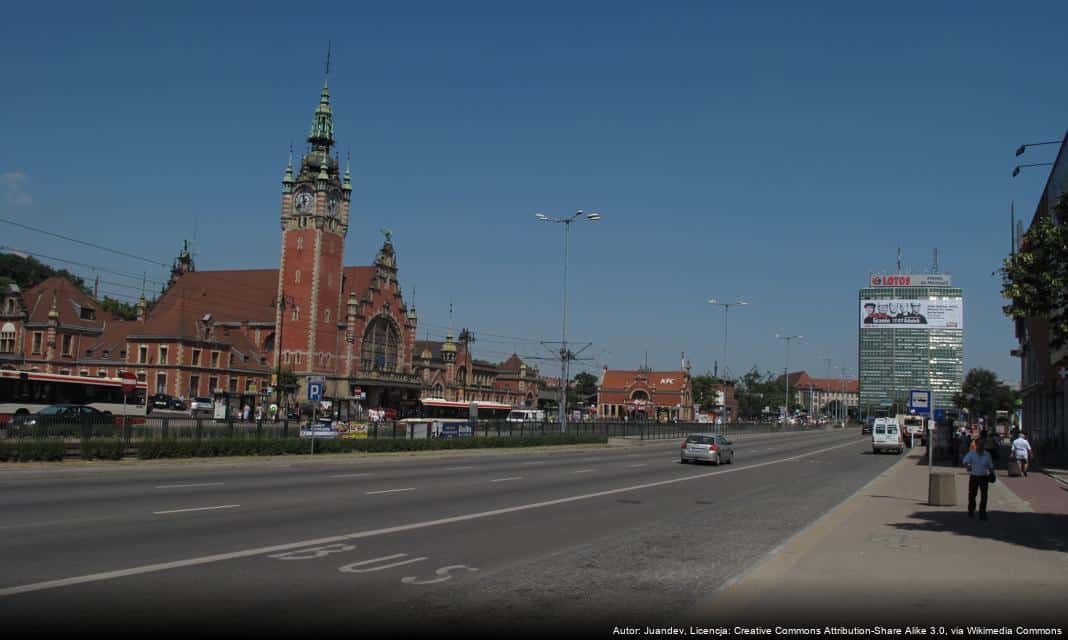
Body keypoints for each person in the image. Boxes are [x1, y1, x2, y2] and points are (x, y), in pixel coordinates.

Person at [962, 437, 995, 520]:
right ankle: (971, 510)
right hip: (974, 477)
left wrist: (992, 473)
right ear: (976, 445)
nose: (980, 446)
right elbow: (965, 461)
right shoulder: (972, 454)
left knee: (984, 496)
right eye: (979, 444)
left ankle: (982, 513)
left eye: (982, 445)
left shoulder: (987, 454)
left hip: (984, 477)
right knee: (972, 495)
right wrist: (968, 467)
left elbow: (990, 466)